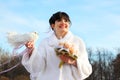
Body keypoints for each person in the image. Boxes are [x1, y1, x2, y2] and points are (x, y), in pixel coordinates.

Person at [22, 11, 92, 80]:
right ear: (52, 25)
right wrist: (31, 50)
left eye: (66, 21)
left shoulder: (77, 41)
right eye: (59, 20)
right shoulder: (45, 43)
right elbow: (37, 67)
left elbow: (86, 69)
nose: (63, 22)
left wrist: (73, 62)